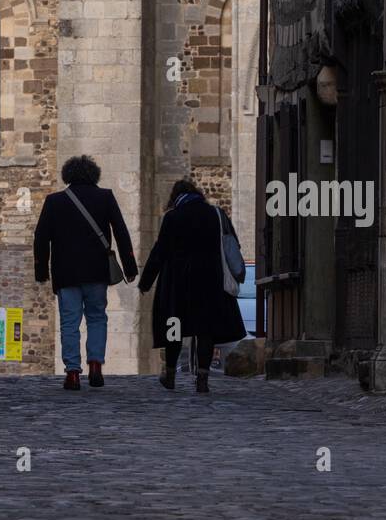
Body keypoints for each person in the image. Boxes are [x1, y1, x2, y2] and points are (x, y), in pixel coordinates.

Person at [34, 155, 138, 389]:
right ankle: (95, 365)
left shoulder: (54, 201)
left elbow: (41, 238)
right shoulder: (105, 197)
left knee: (69, 322)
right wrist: (129, 267)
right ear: (94, 174)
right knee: (97, 318)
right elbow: (121, 232)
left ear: (68, 175)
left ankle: (72, 372)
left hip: (66, 273)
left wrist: (41, 270)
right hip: (96, 271)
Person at [138, 178, 246, 394]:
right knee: (205, 330)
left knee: (174, 328)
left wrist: (146, 281)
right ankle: (203, 379)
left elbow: (160, 251)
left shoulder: (173, 217)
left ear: (176, 197)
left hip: (177, 283)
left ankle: (170, 374)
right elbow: (232, 243)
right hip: (209, 281)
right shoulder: (216, 215)